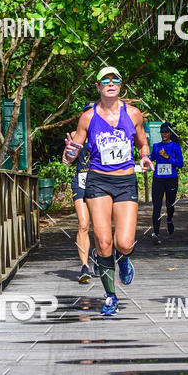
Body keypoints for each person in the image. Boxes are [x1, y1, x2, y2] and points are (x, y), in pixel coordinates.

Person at [62, 66, 153, 317]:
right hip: (98, 181)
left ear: (120, 85)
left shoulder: (133, 114)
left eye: (116, 79)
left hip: (125, 183)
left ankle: (124, 259)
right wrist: (69, 152)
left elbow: (143, 143)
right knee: (103, 244)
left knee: (123, 243)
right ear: (98, 86)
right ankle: (110, 295)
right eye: (106, 79)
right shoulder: (88, 118)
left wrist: (145, 157)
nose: (111, 83)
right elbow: (73, 153)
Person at [67, 103, 95, 283]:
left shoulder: (105, 134)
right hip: (81, 182)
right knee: (83, 224)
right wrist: (69, 151)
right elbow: (67, 160)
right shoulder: (77, 135)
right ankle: (84, 266)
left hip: (101, 182)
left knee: (101, 227)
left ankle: (101, 256)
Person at [150, 122, 183, 243]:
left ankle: (169, 220)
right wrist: (145, 158)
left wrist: (168, 157)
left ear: (170, 133)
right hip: (158, 179)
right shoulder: (156, 146)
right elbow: (151, 157)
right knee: (156, 206)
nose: (164, 134)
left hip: (171, 179)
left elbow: (180, 164)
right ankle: (156, 233)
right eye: (162, 132)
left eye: (166, 132)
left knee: (170, 204)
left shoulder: (175, 147)